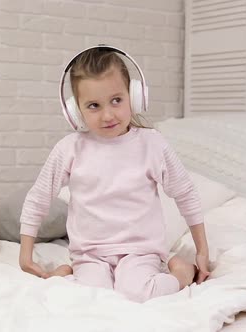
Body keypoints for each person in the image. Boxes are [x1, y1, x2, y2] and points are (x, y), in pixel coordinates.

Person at [18, 45, 210, 303]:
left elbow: (185, 194)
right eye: (94, 105)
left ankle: (181, 273)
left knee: (137, 294)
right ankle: (69, 271)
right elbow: (39, 197)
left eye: (116, 100)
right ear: (76, 112)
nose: (108, 115)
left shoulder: (152, 144)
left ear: (134, 96)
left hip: (140, 251)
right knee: (91, 298)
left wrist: (202, 250)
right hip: (90, 254)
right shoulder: (70, 149)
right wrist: (25, 255)